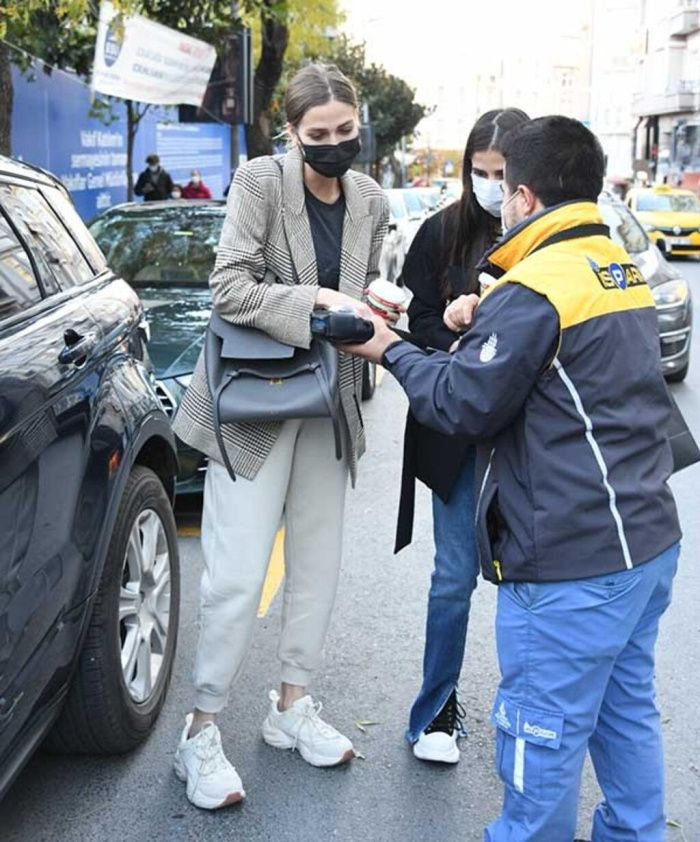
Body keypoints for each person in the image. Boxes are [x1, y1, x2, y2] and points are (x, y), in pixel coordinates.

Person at [348, 115, 681, 842]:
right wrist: (485, 313)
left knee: (539, 747)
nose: (494, 197)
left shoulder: (537, 288)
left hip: (571, 564)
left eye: (502, 185)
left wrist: (387, 346)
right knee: (625, 719)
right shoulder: (613, 263)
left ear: (524, 196)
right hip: (645, 544)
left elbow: (460, 401)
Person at [170, 63, 389, 810]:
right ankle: (199, 731)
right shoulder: (261, 184)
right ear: (291, 133)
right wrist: (320, 297)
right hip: (257, 404)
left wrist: (375, 301)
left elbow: (358, 297)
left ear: (359, 123)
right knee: (233, 578)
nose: (334, 146)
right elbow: (229, 286)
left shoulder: (370, 199)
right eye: (318, 136)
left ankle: (290, 706)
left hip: (332, 403)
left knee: (318, 569)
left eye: (345, 132)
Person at [397, 108, 529, 764]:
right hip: (457, 434)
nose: (489, 185)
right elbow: (412, 318)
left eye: (501, 175)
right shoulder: (440, 232)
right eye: (479, 172)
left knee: (531, 580)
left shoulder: (543, 239)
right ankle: (435, 713)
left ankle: (530, 716)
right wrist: (452, 332)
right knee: (454, 576)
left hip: (531, 441)